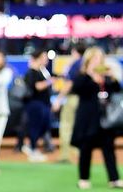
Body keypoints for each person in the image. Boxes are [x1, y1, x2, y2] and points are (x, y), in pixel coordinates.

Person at [71, 47, 123, 189]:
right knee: (85, 150)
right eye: (94, 59)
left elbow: (117, 90)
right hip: (87, 120)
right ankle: (83, 178)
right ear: (88, 60)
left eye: (99, 59)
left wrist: (111, 77)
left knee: (109, 150)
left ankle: (114, 179)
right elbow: (76, 89)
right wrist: (92, 77)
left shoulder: (106, 77)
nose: (97, 62)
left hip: (105, 121)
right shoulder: (82, 76)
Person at [51, 43, 86, 163]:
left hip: (73, 98)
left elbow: (69, 84)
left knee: (66, 126)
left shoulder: (75, 64)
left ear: (75, 51)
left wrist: (58, 100)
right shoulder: (87, 62)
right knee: (80, 126)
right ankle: (78, 151)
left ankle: (65, 155)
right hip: (85, 100)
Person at [22, 49, 54, 162]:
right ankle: (31, 147)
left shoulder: (42, 71)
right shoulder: (32, 72)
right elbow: (37, 87)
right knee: (35, 127)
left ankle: (32, 146)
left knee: (45, 125)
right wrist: (50, 82)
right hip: (35, 104)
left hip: (43, 104)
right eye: (44, 56)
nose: (46, 59)